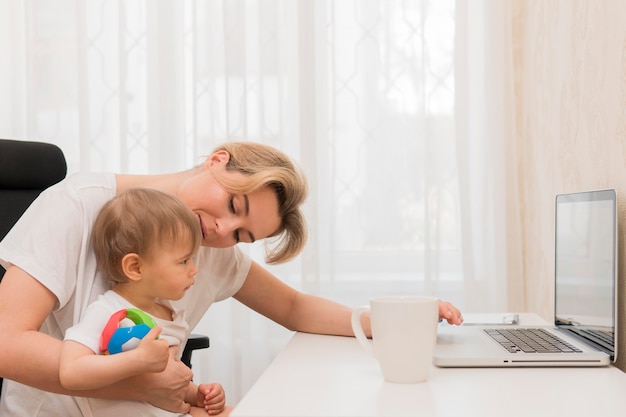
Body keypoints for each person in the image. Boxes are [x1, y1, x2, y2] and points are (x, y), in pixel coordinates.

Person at [0, 141, 463, 416]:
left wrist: (405, 320)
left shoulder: (210, 248)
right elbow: (6, 343)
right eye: (234, 206)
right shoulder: (77, 205)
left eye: (242, 234)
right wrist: (142, 384)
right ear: (217, 160)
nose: (222, 230)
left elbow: (293, 307)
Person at [59, 188, 230, 416]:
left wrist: (197, 394)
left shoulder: (171, 314)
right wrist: (137, 359)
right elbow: (70, 372)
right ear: (135, 267)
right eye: (184, 261)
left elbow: (168, 382)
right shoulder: (108, 311)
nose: (194, 270)